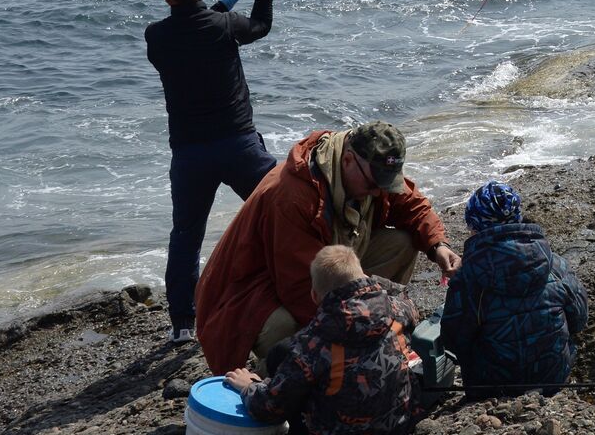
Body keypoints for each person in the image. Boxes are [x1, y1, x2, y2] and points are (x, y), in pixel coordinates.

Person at [195, 121, 459, 373]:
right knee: (288, 326)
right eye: (372, 184)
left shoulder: (368, 168)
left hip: (320, 262)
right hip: (253, 290)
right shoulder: (292, 196)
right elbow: (299, 289)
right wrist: (360, 324)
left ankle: (354, 340)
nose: (379, 193)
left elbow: (411, 205)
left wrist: (438, 246)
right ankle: (273, 375)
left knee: (400, 243)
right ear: (347, 160)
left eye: (384, 184)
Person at [146, 0, 286, 344]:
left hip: (190, 156)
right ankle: (293, 281)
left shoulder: (155, 36)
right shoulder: (223, 26)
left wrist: (222, 7)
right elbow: (259, 25)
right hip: (240, 147)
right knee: (282, 209)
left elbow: (191, 31)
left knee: (186, 236)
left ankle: (183, 324)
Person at [225, 246, 420, 435]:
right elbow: (401, 292)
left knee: (282, 357)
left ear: (314, 296)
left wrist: (248, 387)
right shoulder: (399, 309)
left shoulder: (314, 342)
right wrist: (367, 283)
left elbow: (270, 407)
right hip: (398, 425)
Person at [441, 182, 587, 399]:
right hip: (554, 379)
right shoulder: (556, 265)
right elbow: (580, 320)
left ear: (474, 225)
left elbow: (452, 340)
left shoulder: (468, 279)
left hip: (493, 388)